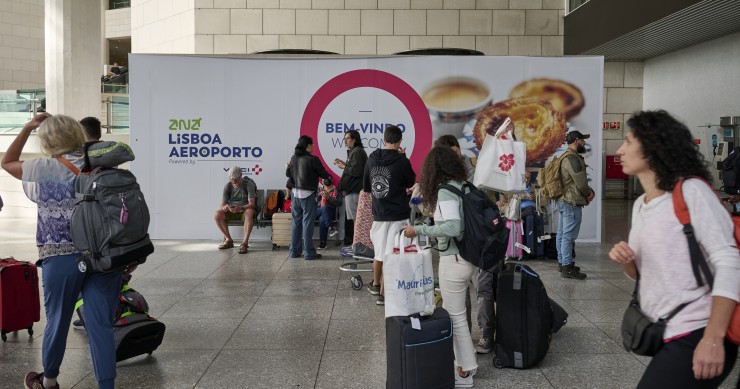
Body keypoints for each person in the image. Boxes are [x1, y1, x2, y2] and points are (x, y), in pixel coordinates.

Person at [608, 110, 739, 388]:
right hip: (665, 330)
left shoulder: (691, 192)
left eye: (629, 141)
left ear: (654, 147)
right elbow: (643, 274)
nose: (620, 150)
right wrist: (626, 262)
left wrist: (713, 338)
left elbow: (729, 261)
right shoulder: (641, 203)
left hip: (698, 330)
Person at [1, 113, 127, 389]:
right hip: (104, 257)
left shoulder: (42, 168)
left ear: (47, 139)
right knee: (101, 325)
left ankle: (50, 381)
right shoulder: (101, 166)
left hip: (61, 257)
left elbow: (7, 162)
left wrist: (27, 127)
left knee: (57, 320)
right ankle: (107, 385)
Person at [403, 146, 477, 388]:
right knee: (458, 314)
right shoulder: (463, 185)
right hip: (468, 256)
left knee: (456, 317)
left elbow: (454, 228)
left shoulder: (446, 191)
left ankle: (465, 369)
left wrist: (420, 229)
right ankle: (464, 364)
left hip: (454, 259)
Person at [364, 125, 416, 306]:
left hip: (379, 214)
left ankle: (376, 284)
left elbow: (367, 187)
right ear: (400, 141)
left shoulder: (371, 159)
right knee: (392, 255)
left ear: (384, 139)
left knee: (379, 253)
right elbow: (410, 181)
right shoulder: (402, 161)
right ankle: (384, 296)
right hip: (398, 214)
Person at [555, 130, 593, 279]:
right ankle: (567, 267)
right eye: (582, 140)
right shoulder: (572, 158)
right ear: (576, 140)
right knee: (568, 236)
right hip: (571, 201)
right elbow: (581, 182)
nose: (584, 142)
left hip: (564, 200)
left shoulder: (564, 156)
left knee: (562, 234)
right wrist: (589, 193)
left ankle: (562, 262)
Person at [286, 135, 330, 260]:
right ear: (308, 146)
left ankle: (294, 251)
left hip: (295, 194)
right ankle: (309, 252)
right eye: (312, 145)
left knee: (296, 223)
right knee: (307, 223)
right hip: (308, 194)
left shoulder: (294, 158)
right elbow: (324, 174)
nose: (314, 147)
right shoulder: (313, 159)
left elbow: (288, 174)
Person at [335, 130, 367, 255]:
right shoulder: (356, 152)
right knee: (356, 220)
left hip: (354, 191)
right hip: (353, 191)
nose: (345, 141)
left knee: (356, 221)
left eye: (348, 138)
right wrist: (345, 164)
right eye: (345, 138)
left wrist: (344, 167)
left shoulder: (358, 151)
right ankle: (356, 245)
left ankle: (358, 246)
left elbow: (357, 171)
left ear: (354, 139)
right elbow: (354, 168)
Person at [214, 166, 257, 254]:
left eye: (236, 180)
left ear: (241, 176)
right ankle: (229, 240)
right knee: (217, 214)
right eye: (232, 180)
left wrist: (241, 208)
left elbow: (252, 204)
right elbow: (222, 204)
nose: (234, 182)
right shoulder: (228, 186)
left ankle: (245, 243)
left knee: (249, 212)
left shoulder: (248, 184)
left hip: (243, 210)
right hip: (231, 210)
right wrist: (225, 207)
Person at [317, 177, 342, 249]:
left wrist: (329, 198)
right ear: (322, 181)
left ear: (332, 180)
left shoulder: (336, 190)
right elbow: (312, 201)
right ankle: (330, 227)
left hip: (331, 212)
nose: (327, 180)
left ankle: (323, 243)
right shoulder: (319, 189)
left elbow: (339, 203)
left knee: (322, 219)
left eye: (329, 179)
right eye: (325, 179)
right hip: (317, 211)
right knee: (323, 209)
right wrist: (319, 195)